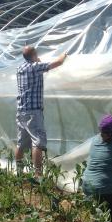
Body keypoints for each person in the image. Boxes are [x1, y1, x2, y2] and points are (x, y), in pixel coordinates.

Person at [15, 45, 67, 175]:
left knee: (21, 143)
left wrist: (35, 59)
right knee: (37, 142)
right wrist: (65, 54)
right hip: (33, 112)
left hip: (21, 111)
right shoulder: (35, 67)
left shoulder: (20, 68)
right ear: (33, 55)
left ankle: (19, 172)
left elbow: (34, 67)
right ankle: (38, 175)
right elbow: (58, 62)